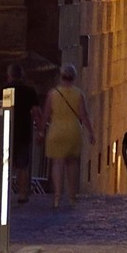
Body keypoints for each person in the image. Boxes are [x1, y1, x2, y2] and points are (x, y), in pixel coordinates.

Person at [42, 67, 91, 209]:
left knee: (57, 164)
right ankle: (71, 196)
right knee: (72, 164)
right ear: (74, 77)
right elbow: (83, 115)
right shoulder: (78, 94)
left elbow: (46, 114)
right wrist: (91, 132)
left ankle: (57, 197)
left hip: (56, 130)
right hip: (73, 131)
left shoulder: (53, 94)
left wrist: (40, 131)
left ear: (61, 76)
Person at [5, 64, 40, 204]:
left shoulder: (5, 90)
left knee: (6, 164)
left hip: (7, 129)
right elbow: (36, 112)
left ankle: (5, 192)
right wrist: (41, 129)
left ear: (9, 75)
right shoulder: (29, 91)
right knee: (22, 166)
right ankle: (22, 194)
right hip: (24, 131)